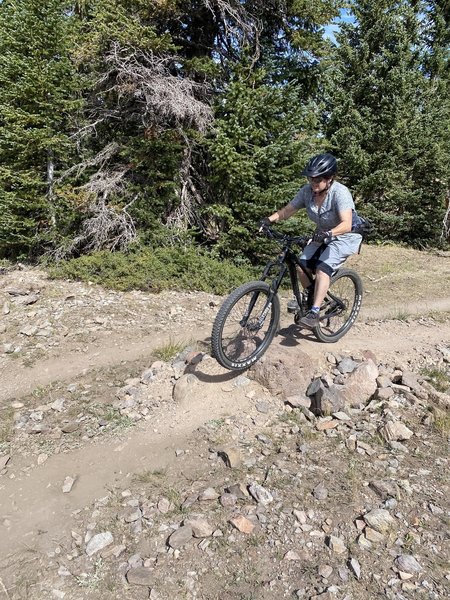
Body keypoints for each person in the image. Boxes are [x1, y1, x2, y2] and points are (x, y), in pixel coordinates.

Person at [261, 152, 362, 329]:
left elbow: (347, 224)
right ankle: (311, 297)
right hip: (322, 233)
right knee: (302, 265)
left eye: (317, 179)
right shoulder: (307, 192)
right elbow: (288, 210)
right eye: (311, 179)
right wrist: (269, 220)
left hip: (345, 235)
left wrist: (329, 234)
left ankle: (314, 312)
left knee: (323, 268)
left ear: (329, 178)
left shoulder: (340, 192)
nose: (313, 183)